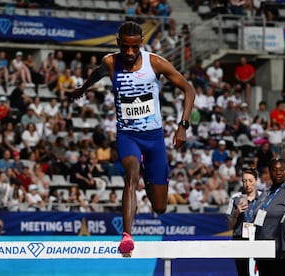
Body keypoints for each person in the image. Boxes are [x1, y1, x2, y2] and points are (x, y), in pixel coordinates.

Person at [72, 21, 195, 257]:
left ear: (140, 43)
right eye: (125, 48)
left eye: (134, 48)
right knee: (131, 173)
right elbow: (98, 73)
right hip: (127, 135)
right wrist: (83, 88)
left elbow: (188, 89)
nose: (129, 53)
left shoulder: (154, 62)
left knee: (159, 207)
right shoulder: (111, 61)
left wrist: (183, 125)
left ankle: (148, 172)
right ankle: (127, 236)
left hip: (154, 139)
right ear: (119, 44)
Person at [255, 158, 285, 276]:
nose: (278, 173)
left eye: (281, 170)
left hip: (280, 251)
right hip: (262, 249)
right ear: (269, 171)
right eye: (274, 169)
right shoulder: (265, 193)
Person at [226, 167, 262, 276]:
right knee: (242, 272)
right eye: (244, 181)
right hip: (240, 239)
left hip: (257, 239)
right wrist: (236, 214)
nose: (247, 184)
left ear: (256, 180)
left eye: (250, 181)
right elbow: (229, 225)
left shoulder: (263, 197)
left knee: (258, 271)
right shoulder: (235, 198)